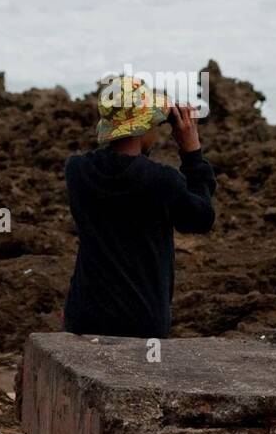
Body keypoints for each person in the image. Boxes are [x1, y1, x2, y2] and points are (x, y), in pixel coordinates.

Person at [62, 76, 215, 338]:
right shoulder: (162, 181)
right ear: (145, 126)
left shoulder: (77, 171)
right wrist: (191, 151)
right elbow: (201, 219)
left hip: (84, 315)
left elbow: (119, 167)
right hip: (142, 322)